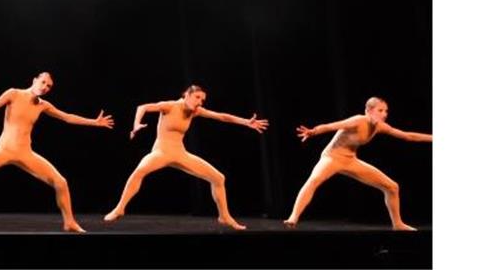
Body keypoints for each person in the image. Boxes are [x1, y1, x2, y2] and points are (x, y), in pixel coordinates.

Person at [0, 71, 113, 233]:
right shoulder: (14, 94)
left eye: (49, 86)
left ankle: (69, 222)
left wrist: (94, 122)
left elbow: (67, 117)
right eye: (43, 82)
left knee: (61, 182)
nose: (45, 87)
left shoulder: (43, 105)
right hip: (3, 149)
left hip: (25, 153)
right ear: (34, 80)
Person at [104, 85, 267, 230]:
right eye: (197, 98)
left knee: (218, 178)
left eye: (202, 100)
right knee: (140, 171)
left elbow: (222, 116)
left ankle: (224, 216)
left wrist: (246, 122)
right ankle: (119, 208)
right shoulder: (170, 106)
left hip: (180, 153)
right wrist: (136, 124)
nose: (200, 103)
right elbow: (143, 107)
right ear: (186, 95)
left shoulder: (195, 112)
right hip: (162, 151)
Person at [284, 96, 431, 231]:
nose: (384, 114)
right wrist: (313, 131)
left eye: (386, 111)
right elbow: (331, 126)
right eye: (380, 110)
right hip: (332, 157)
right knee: (314, 180)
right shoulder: (358, 120)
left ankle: (397, 224)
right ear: (368, 111)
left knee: (392, 187)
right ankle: (293, 217)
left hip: (350, 160)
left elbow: (408, 136)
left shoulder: (381, 127)